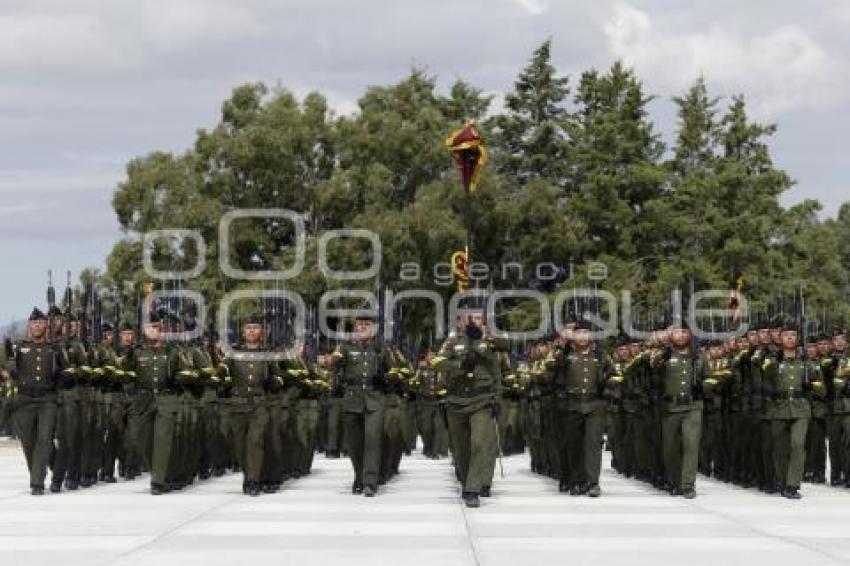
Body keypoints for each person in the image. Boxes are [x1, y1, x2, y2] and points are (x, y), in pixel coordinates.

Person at [7, 308, 60, 495]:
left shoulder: (54, 348)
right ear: (29, 326)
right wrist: (10, 367)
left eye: (40, 322)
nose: (37, 326)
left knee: (44, 440)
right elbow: (9, 367)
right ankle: (53, 469)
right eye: (34, 323)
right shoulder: (19, 347)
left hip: (47, 400)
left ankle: (37, 482)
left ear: (46, 325)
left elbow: (65, 370)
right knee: (28, 442)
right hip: (26, 400)